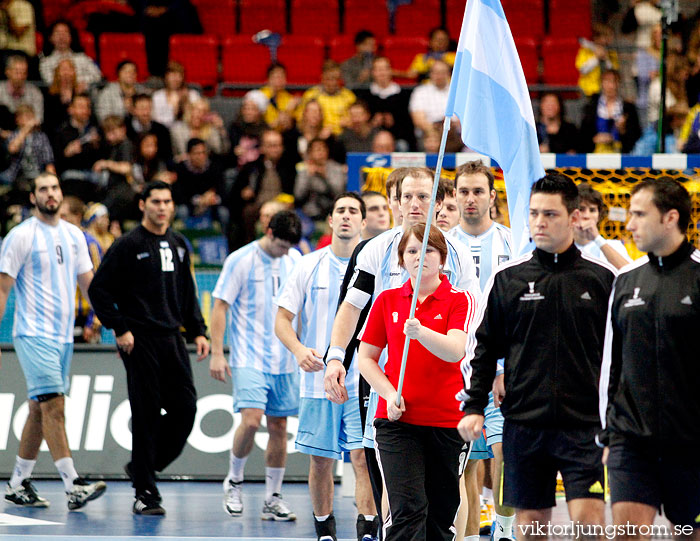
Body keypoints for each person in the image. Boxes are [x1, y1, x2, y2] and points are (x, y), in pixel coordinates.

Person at [458, 173, 616, 540]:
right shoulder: (507, 278)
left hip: (586, 427)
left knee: (591, 524)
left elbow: (621, 354)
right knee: (529, 528)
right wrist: (474, 407)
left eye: (550, 214)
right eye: (533, 214)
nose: (539, 223)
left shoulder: (603, 279)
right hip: (523, 426)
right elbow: (483, 349)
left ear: (574, 218)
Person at [88, 181, 209, 515]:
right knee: (146, 414)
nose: (162, 207)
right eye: (155, 201)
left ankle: (145, 465)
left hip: (172, 338)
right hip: (140, 340)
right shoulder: (128, 245)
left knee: (186, 408)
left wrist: (198, 331)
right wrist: (120, 328)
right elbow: (99, 290)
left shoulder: (179, 243)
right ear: (143, 205)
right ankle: (145, 493)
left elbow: (187, 292)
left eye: (167, 201)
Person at [358, 222, 476, 540]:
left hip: (447, 422)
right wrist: (388, 392)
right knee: (408, 510)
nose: (419, 257)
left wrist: (420, 332)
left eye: (428, 250)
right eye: (412, 250)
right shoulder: (387, 301)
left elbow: (455, 351)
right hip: (397, 421)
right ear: (402, 258)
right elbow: (365, 359)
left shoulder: (459, 300)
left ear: (442, 258)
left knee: (440, 514)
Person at [599, 177, 700, 537]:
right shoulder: (625, 281)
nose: (629, 224)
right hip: (631, 441)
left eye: (640, 214)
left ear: (670, 217)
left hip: (691, 444)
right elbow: (611, 364)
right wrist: (609, 434)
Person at [0, 172, 107, 510]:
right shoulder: (19, 237)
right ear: (33, 198)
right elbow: (3, 289)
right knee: (54, 406)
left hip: (63, 339)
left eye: (54, 188)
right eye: (43, 189)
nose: (50, 194)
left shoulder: (75, 235)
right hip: (32, 333)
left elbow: (89, 283)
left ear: (61, 194)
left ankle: (18, 481)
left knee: (38, 409)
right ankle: (73, 484)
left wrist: (115, 322)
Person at [275, 194, 378, 541]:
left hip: (362, 379)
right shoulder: (308, 264)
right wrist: (299, 349)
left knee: (363, 456)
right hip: (318, 380)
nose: (347, 217)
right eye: (341, 212)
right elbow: (283, 319)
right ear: (331, 221)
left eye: (354, 212)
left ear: (363, 223)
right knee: (321, 460)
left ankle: (368, 528)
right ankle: (325, 529)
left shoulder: (376, 263)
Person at [209, 210, 302, 521]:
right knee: (251, 420)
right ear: (269, 232)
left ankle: (272, 497)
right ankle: (234, 480)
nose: (284, 252)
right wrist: (218, 352)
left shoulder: (295, 259)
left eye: (289, 247)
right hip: (249, 356)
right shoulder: (240, 259)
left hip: (285, 358)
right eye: (281, 245)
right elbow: (220, 305)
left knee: (279, 426)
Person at [448, 161, 515, 541]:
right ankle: (470, 535)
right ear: (455, 196)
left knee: (504, 453)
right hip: (458, 371)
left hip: (506, 372)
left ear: (492, 196)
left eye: (478, 191)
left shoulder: (512, 243)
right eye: (464, 191)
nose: (470, 199)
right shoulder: (443, 245)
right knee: (466, 467)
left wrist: (506, 365)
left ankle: (504, 531)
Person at [59, 196, 103, 344]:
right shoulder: (56, 241)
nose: (60, 219)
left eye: (64, 215)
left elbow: (98, 284)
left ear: (77, 216)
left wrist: (93, 322)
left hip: (84, 321)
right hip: (61, 320)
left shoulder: (89, 243)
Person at [579, 69, 641, 153]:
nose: (611, 86)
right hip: (595, 155)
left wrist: (623, 130)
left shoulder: (628, 108)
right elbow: (583, 136)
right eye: (607, 81)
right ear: (602, 83)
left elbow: (636, 136)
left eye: (615, 81)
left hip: (621, 155)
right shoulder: (591, 107)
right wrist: (595, 138)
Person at [574, 183, 631, 270]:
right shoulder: (560, 247)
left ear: (599, 216)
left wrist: (597, 239)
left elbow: (630, 273)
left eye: (592, 210)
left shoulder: (614, 246)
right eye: (581, 209)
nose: (586, 215)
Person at [299, 60, 356, 136]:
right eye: (329, 79)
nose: (333, 83)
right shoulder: (311, 95)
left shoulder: (349, 96)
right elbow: (300, 119)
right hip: (317, 136)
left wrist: (349, 122)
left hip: (343, 137)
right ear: (322, 78)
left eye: (336, 79)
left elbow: (357, 119)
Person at [39, 20, 102, 88]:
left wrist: (82, 85)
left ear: (71, 37)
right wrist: (76, 84)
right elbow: (49, 81)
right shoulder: (46, 61)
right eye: (57, 33)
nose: (62, 37)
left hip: (83, 95)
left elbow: (97, 75)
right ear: (50, 38)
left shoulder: (82, 58)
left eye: (65, 33)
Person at [151, 61, 200, 128]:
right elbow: (156, 121)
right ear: (165, 77)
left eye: (179, 76)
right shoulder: (157, 96)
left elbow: (199, 117)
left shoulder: (192, 95)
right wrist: (173, 110)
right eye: (173, 75)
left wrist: (185, 104)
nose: (176, 79)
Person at [575, 24, 619, 97]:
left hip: (605, 92)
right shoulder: (585, 51)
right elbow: (582, 70)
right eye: (606, 36)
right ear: (596, 37)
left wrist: (606, 58)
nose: (609, 39)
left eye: (610, 36)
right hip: (588, 92)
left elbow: (613, 71)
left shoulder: (611, 52)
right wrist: (596, 58)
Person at [0, 55, 43, 122]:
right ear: (7, 72)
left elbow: (39, 119)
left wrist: (23, 132)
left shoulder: (34, 92)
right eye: (17, 72)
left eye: (24, 73)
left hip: (29, 130)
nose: (20, 76)